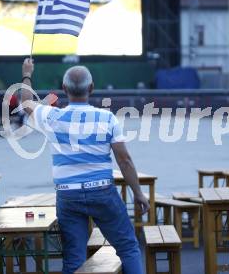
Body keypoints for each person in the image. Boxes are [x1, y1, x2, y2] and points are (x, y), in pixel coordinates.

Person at [20, 58, 149, 274]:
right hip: (102, 192)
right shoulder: (107, 118)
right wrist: (138, 193)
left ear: (64, 89)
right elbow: (124, 160)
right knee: (128, 247)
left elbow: (25, 102)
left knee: (74, 258)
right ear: (91, 88)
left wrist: (26, 73)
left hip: (68, 196)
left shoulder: (52, 117)